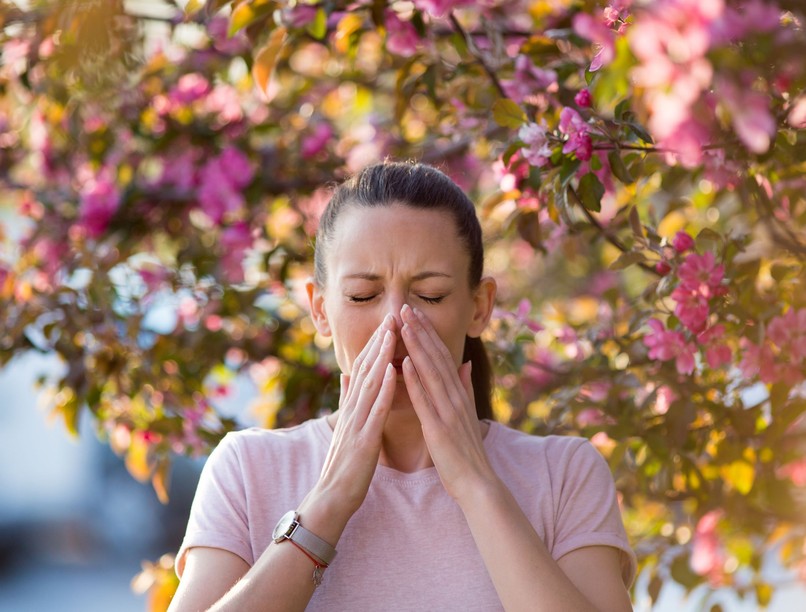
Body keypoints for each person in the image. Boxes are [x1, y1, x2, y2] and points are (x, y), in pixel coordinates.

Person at [168, 161, 636, 611]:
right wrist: (328, 502)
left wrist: (476, 485)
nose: (394, 320)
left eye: (429, 295)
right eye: (362, 296)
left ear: (479, 306)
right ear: (320, 309)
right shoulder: (247, 470)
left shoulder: (564, 475)